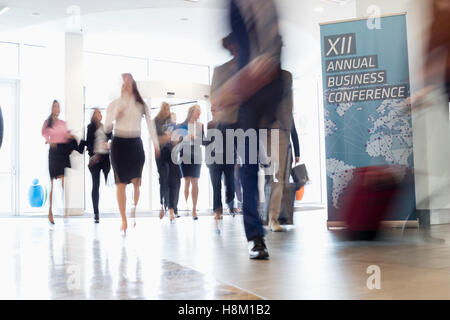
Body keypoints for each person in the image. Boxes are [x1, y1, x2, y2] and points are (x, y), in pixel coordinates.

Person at [212, 0, 284, 259]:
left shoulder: (267, 13)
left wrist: (243, 82)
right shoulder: (234, 11)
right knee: (249, 167)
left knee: (265, 168)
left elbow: (271, 58)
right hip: (244, 108)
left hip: (266, 90)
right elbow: (219, 101)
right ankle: (255, 237)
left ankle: (266, 222)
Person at [105, 73, 159, 234]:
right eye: (124, 83)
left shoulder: (140, 104)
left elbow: (150, 125)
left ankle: (133, 208)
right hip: (118, 144)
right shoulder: (114, 104)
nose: (126, 85)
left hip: (135, 144)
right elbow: (107, 127)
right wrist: (116, 115)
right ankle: (123, 219)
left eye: (129, 83)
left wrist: (156, 144)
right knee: (120, 183)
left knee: (137, 182)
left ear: (133, 85)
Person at [41, 100, 83, 224]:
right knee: (52, 183)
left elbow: (66, 135)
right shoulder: (47, 123)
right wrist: (49, 140)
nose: (56, 108)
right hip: (54, 153)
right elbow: (43, 134)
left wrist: (70, 136)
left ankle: (65, 211)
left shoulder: (63, 123)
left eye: (58, 106)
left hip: (63, 153)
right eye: (55, 106)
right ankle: (50, 212)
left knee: (64, 182)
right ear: (52, 108)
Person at [153, 102, 181, 223]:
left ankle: (171, 208)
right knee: (163, 179)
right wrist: (163, 139)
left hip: (171, 152)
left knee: (173, 180)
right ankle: (163, 204)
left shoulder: (172, 123)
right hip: (160, 153)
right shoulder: (156, 121)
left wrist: (176, 140)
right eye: (164, 108)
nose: (166, 111)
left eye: (168, 109)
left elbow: (175, 139)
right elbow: (155, 138)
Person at [84, 108, 111, 223]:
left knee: (108, 182)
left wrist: (107, 144)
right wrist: (94, 149)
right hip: (94, 159)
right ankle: (96, 213)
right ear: (93, 116)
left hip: (105, 159)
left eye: (99, 112)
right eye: (95, 112)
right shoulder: (90, 127)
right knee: (96, 185)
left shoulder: (105, 127)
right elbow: (88, 142)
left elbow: (112, 138)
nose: (98, 114)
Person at [177, 105, 204, 220]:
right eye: (198, 111)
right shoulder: (181, 125)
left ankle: (194, 209)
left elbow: (203, 141)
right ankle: (187, 204)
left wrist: (194, 137)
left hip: (197, 153)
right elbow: (177, 140)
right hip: (185, 153)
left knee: (195, 181)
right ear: (192, 112)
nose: (199, 114)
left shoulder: (200, 125)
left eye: (200, 112)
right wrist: (186, 137)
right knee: (187, 181)